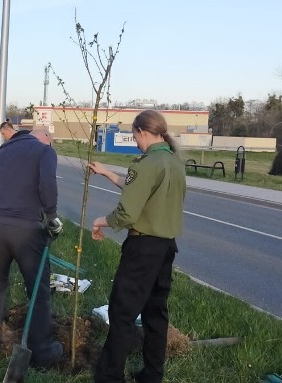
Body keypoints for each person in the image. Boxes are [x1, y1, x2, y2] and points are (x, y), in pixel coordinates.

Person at [88, 110, 186, 383]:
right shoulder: (175, 163)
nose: (136, 142)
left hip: (142, 250)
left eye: (135, 137)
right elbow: (138, 189)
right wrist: (107, 173)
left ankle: (109, 376)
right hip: (166, 248)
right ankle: (152, 374)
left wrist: (100, 221)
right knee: (156, 314)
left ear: (143, 132)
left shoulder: (146, 163)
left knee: (122, 313)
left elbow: (127, 212)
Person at [0, 121, 64, 368]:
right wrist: (51, 215)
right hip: (27, 230)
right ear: (45, 137)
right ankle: (41, 352)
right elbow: (47, 184)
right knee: (38, 290)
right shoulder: (45, 151)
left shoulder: (2, 152)